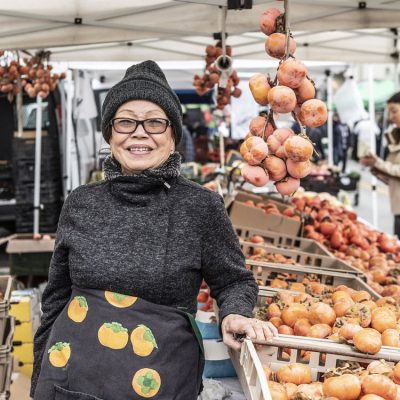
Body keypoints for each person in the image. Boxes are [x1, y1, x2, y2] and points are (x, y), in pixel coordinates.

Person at [31, 60, 276, 400]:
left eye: (155, 122)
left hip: (159, 379)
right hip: (74, 376)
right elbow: (56, 297)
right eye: (126, 121)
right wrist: (40, 378)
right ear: (110, 133)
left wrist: (234, 314)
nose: (139, 132)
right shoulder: (80, 202)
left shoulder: (200, 206)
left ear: (174, 135)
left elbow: (233, 280)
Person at [360, 92, 400, 237]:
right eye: (390, 112)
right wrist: (374, 165)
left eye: (394, 111)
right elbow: (392, 176)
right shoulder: (395, 136)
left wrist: (378, 163)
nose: (391, 117)